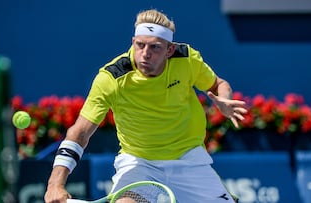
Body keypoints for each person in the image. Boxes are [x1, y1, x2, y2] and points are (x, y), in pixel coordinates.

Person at [44, 9, 247, 203]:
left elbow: (219, 84)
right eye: (140, 45)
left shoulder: (186, 60)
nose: (145, 54)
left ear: (170, 49)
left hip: (188, 158)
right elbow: (79, 133)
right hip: (139, 162)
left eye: (155, 47)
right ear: (133, 42)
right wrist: (55, 184)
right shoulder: (111, 78)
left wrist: (225, 101)